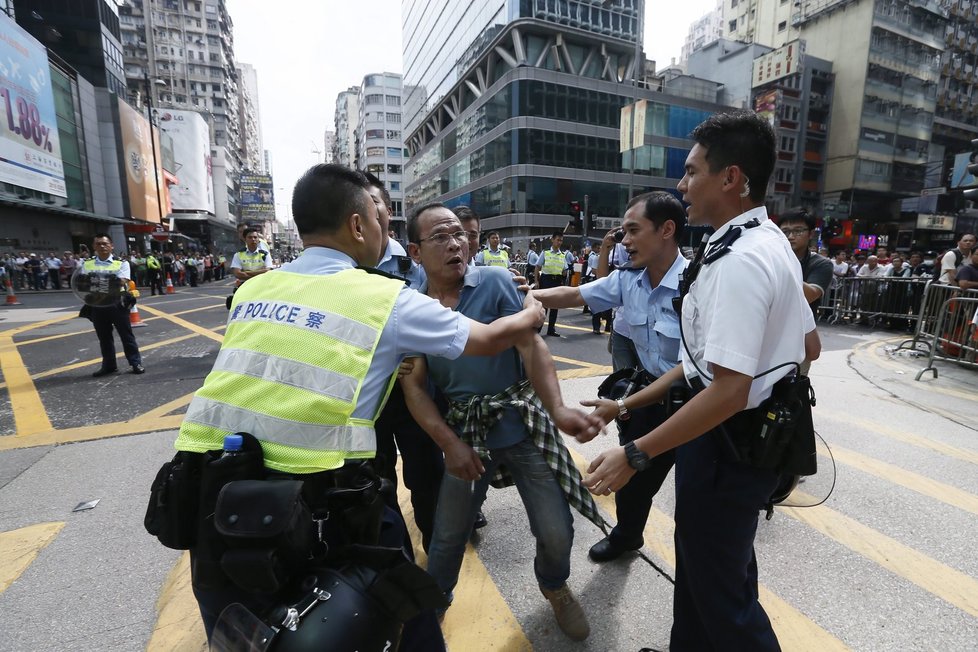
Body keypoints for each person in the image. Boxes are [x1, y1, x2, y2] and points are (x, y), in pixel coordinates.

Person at [170, 165, 545, 649]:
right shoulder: (385, 298)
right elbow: (493, 337)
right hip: (324, 501)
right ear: (357, 225)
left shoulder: (253, 289)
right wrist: (532, 308)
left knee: (246, 635)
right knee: (403, 619)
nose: (385, 233)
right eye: (382, 222)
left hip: (214, 497)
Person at [583, 110, 820, 651]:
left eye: (691, 173)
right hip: (741, 446)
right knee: (707, 569)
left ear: (731, 178)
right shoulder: (769, 241)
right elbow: (809, 347)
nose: (682, 186)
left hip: (725, 448)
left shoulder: (740, 259)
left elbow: (727, 390)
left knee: (724, 602)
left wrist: (635, 453)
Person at [401, 203, 600, 641]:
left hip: (522, 423)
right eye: (441, 237)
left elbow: (531, 348)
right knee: (449, 535)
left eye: (459, 234)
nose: (456, 243)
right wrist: (449, 443)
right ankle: (434, 603)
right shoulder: (409, 306)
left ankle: (554, 584)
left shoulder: (493, 281)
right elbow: (414, 387)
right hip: (466, 434)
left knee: (556, 529)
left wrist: (559, 409)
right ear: (415, 252)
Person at [532, 191, 687, 563]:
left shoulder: (695, 283)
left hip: (697, 405)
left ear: (667, 230)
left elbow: (692, 368)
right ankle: (627, 537)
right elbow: (573, 295)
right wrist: (526, 295)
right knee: (632, 481)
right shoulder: (627, 280)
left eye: (633, 230)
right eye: (624, 232)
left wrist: (620, 404)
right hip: (649, 399)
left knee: (696, 494)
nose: (625, 241)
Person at [363, 170, 440, 552]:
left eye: (371, 202)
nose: (362, 212)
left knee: (426, 475)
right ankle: (397, 560)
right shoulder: (339, 269)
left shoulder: (416, 266)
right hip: (365, 397)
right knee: (376, 483)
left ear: (387, 210)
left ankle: (436, 549)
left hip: (415, 394)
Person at [85, 234, 145, 376]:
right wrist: (106, 281)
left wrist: (98, 281)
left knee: (126, 335)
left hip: (117, 303)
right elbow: (83, 282)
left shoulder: (121, 263)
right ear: (94, 247)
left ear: (111, 246)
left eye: (105, 243)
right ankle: (109, 365)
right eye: (98, 244)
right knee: (104, 337)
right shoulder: (87, 263)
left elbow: (121, 281)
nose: (102, 246)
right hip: (97, 303)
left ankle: (135, 362)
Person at [778, 207, 833, 321]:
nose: (790, 237)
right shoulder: (771, 257)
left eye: (798, 231)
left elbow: (810, 295)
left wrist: (779, 267)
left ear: (811, 234)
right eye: (785, 232)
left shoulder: (821, 263)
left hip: (801, 327)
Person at [535, 232, 574, 337]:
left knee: (555, 306)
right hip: (546, 280)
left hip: (557, 281)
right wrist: (536, 281)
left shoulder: (562, 255)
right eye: (558, 240)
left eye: (561, 240)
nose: (559, 242)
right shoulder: (545, 252)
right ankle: (537, 329)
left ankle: (551, 329)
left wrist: (564, 275)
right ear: (552, 240)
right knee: (544, 306)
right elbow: (538, 266)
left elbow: (565, 269)